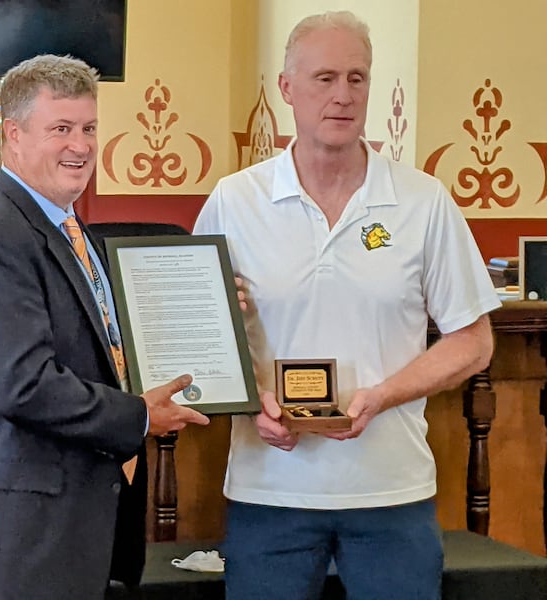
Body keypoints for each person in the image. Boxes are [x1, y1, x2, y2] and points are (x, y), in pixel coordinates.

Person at [193, 11, 501, 600]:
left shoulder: (422, 202)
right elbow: (197, 334)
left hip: (392, 493)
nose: (342, 96)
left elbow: (473, 340)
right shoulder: (236, 201)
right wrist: (249, 400)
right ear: (287, 89)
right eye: (324, 78)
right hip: (269, 491)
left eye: (356, 79)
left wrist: (382, 397)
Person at [0, 54, 209, 600]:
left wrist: (213, 305)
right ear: (14, 135)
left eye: (88, 128)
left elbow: (104, 347)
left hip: (78, 534)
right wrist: (139, 415)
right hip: (23, 546)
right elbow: (24, 386)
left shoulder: (69, 231)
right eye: (60, 129)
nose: (81, 146)